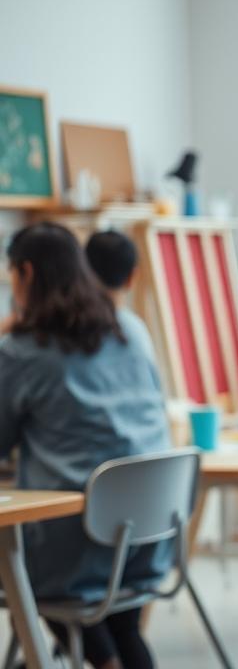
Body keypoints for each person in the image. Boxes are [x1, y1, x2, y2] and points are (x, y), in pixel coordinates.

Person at [0, 222, 170, 669]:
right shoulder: (130, 330)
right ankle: (107, 656)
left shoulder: (23, 350)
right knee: (117, 622)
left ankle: (97, 659)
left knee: (19, 563)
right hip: (149, 538)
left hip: (72, 546)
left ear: (27, 274)